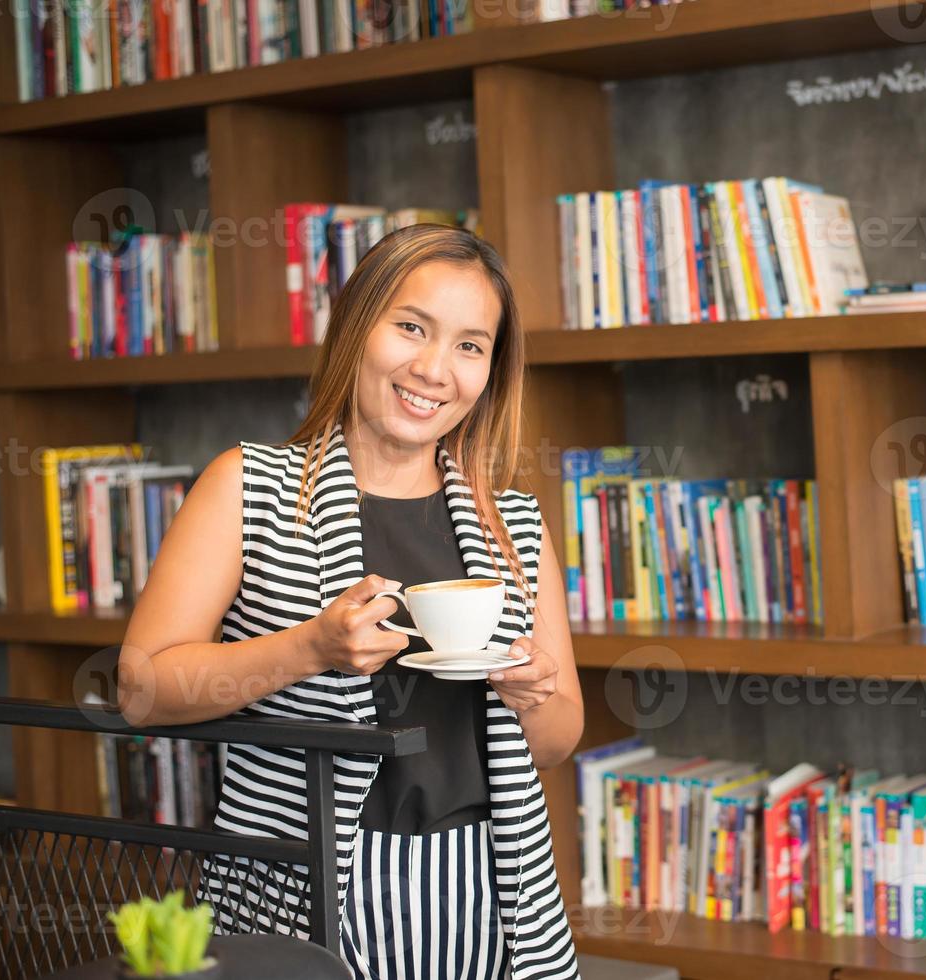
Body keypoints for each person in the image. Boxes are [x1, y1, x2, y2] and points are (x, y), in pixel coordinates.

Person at [118, 224, 584, 980]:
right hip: (299, 879)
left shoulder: (512, 520)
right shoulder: (250, 487)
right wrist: (309, 649)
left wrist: (530, 693)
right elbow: (141, 688)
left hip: (486, 890)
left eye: (471, 346)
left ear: (492, 371)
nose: (435, 369)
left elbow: (559, 741)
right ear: (355, 328)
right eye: (410, 327)